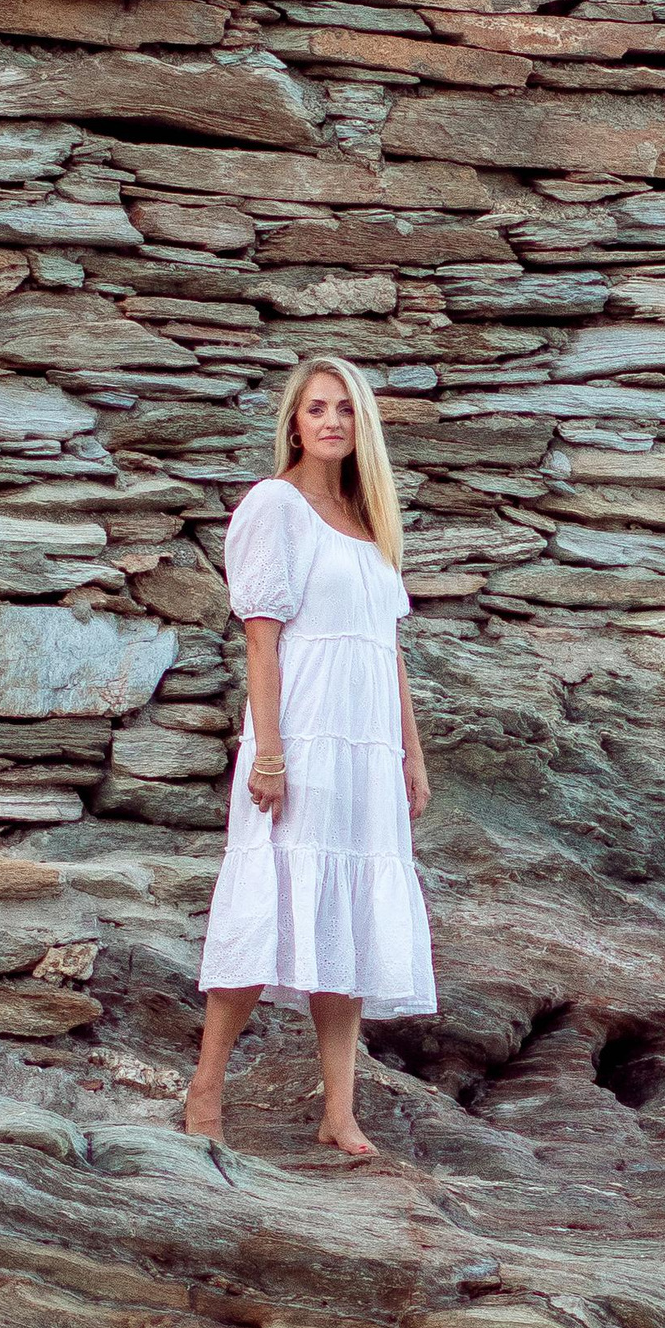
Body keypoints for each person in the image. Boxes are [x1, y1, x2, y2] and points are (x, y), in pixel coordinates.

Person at [187, 354, 436, 1160]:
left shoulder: (371, 522)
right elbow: (261, 639)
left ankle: (339, 1111)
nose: (332, 420)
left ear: (362, 424)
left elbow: (387, 651)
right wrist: (268, 752)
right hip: (300, 739)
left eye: (346, 408)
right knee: (265, 906)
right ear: (295, 423)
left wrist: (411, 754)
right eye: (317, 408)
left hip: (365, 749)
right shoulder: (276, 507)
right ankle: (205, 1090)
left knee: (347, 918)